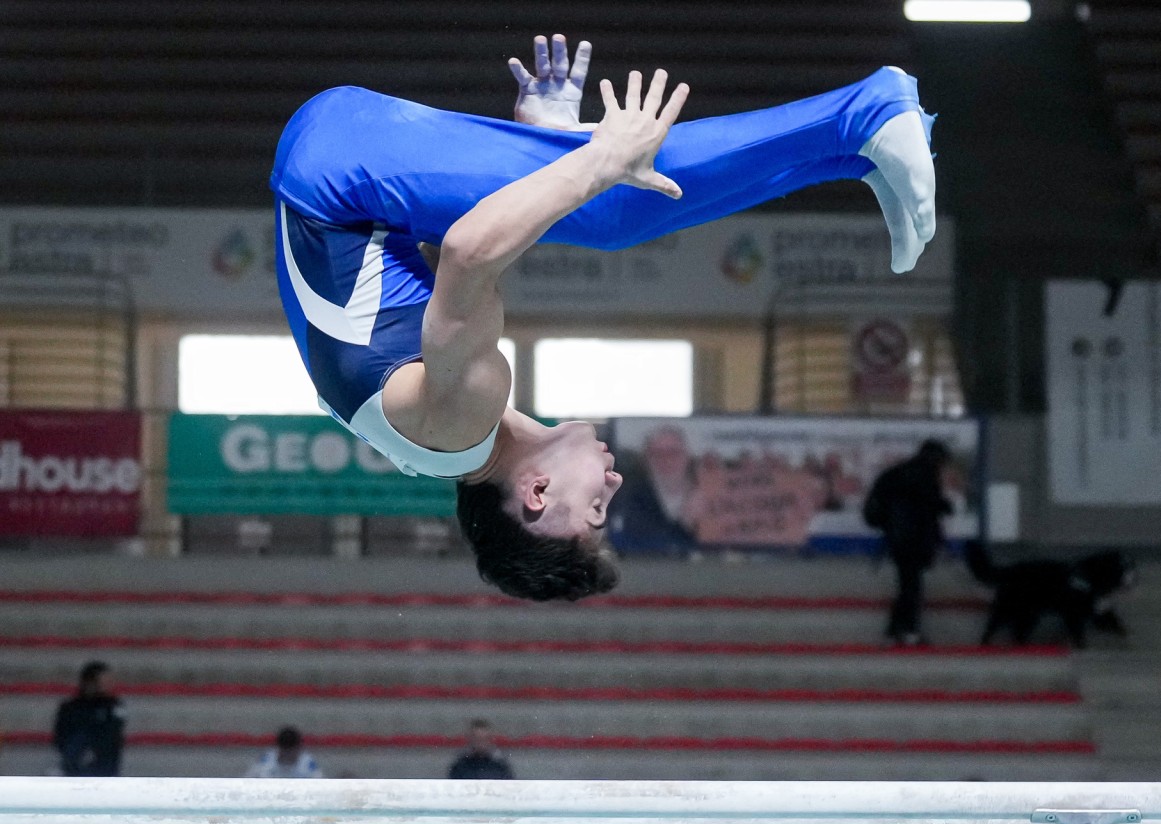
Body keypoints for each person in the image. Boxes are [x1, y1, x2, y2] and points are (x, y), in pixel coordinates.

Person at [271, 32, 937, 601]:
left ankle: (864, 115)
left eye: (596, 506)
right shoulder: (438, 443)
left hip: (337, 171)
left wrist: (595, 159)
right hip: (338, 175)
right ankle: (854, 154)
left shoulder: (461, 419)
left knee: (613, 201)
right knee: (593, 193)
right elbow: (441, 253)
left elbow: (471, 251)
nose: (614, 482)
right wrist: (540, 149)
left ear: (536, 495)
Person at [864, 440, 953, 645]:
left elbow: (878, 508)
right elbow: (931, 507)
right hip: (915, 539)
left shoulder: (896, 473)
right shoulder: (925, 475)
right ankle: (906, 631)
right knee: (911, 588)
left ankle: (896, 631)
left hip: (898, 539)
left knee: (908, 586)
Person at [52, 660, 126, 777]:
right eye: (105, 681)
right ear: (90, 682)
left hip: (106, 769)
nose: (110, 684)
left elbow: (113, 735)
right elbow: (61, 738)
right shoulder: (70, 708)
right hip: (74, 768)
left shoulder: (114, 706)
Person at [448, 719, 515, 781]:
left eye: (484, 739)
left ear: (490, 740)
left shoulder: (500, 767)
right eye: (477, 739)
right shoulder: (460, 767)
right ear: (470, 740)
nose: (480, 744)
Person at [246, 726, 323, 778]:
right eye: (285, 750)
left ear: (298, 748)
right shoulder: (265, 762)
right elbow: (247, 783)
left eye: (291, 750)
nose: (288, 754)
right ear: (278, 748)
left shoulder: (308, 764)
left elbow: (320, 787)